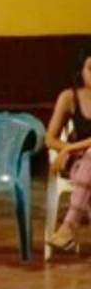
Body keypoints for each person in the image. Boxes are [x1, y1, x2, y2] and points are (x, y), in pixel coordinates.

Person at [46, 52, 91, 252]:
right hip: (77, 165)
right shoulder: (69, 97)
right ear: (81, 71)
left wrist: (69, 148)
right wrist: (67, 150)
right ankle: (69, 229)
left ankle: (68, 228)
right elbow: (49, 138)